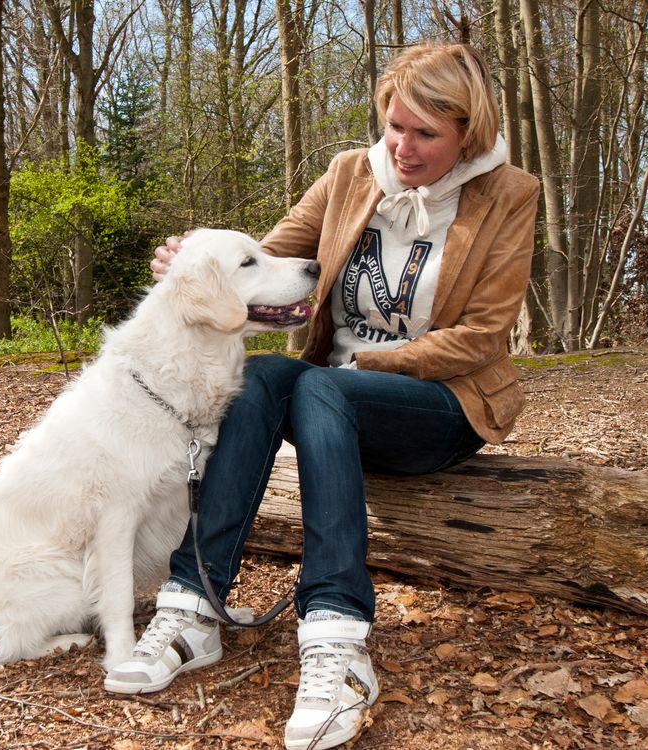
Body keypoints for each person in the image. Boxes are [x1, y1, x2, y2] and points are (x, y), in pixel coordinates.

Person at [104, 40, 540, 750]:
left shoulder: (508, 195)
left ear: (469, 131)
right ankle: (193, 607)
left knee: (320, 390)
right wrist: (194, 265)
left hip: (440, 404)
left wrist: (363, 362)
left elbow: (484, 335)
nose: (402, 146)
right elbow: (263, 264)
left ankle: (338, 639)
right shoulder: (349, 175)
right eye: (394, 125)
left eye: (426, 133)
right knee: (271, 378)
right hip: (326, 398)